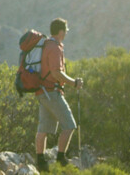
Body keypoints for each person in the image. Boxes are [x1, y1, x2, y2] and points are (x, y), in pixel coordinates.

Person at [35, 18, 83, 171]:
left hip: (42, 92)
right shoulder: (55, 47)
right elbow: (56, 73)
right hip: (52, 93)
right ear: (61, 31)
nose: (66, 33)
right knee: (69, 125)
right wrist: (74, 83)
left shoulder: (46, 45)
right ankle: (61, 158)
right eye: (66, 30)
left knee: (44, 129)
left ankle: (41, 162)